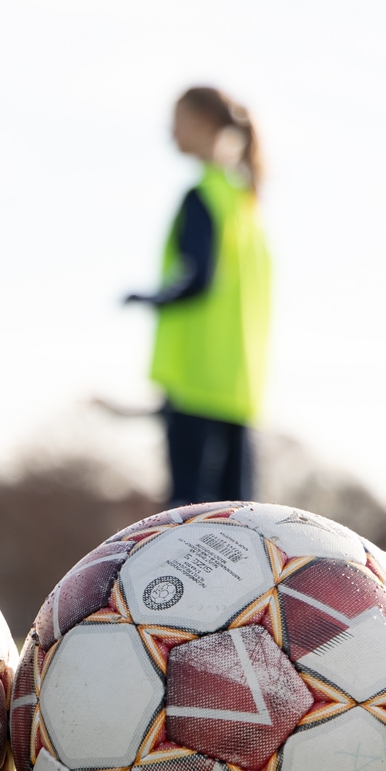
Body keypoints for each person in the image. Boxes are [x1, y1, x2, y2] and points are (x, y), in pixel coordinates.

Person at [125, 86, 272, 507]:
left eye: (178, 122)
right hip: (240, 382)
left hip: (195, 377)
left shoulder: (203, 196)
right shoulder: (245, 203)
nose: (171, 134)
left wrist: (149, 298)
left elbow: (195, 278)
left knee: (187, 516)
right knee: (237, 516)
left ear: (203, 123)